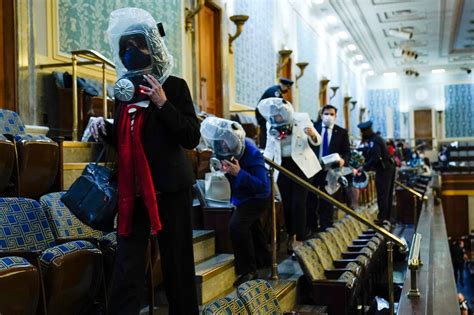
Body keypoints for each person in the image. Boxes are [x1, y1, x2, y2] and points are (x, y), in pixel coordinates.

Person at [90, 8, 199, 314]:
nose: (129, 53)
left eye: (135, 47)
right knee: (127, 263)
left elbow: (191, 136)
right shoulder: (124, 91)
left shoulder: (174, 86)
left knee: (177, 263)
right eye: (124, 49)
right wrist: (106, 129)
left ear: (151, 48)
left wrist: (163, 104)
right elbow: (128, 137)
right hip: (133, 191)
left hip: (169, 189)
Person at [200, 117, 271, 287]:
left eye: (226, 143)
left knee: (237, 226)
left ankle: (248, 271)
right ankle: (263, 260)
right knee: (253, 226)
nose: (222, 147)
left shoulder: (252, 153)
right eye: (220, 143)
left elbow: (262, 186)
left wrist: (239, 173)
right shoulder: (221, 148)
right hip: (241, 196)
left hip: (257, 197)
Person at [258, 97, 322, 252]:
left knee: (298, 202)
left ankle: (299, 239)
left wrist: (313, 134)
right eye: (273, 115)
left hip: (302, 165)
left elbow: (317, 140)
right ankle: (291, 235)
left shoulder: (301, 118)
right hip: (283, 166)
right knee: (286, 204)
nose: (275, 117)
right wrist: (265, 166)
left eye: (278, 114)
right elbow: (269, 147)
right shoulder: (270, 123)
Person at [308, 104, 351, 232]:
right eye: (326, 114)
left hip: (331, 171)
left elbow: (347, 151)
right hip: (314, 168)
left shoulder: (341, 132)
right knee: (310, 199)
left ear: (335, 116)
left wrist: (344, 160)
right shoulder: (313, 129)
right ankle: (312, 226)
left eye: (331, 114)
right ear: (321, 115)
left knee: (327, 199)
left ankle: (326, 227)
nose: (328, 117)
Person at [357, 121, 396, 223]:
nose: (361, 134)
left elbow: (375, 157)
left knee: (383, 193)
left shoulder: (374, 141)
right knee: (386, 193)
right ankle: (386, 217)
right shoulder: (374, 139)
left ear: (366, 131)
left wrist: (364, 167)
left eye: (362, 132)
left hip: (384, 169)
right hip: (387, 167)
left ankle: (382, 217)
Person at [255, 77, 294, 148]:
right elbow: (276, 107)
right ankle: (265, 149)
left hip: (266, 115)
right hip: (263, 116)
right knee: (266, 133)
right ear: (283, 85)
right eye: (287, 88)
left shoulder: (277, 91)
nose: (287, 90)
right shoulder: (275, 92)